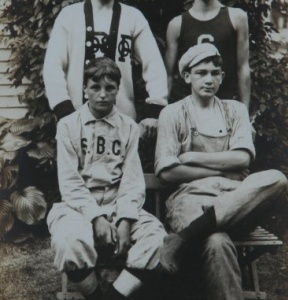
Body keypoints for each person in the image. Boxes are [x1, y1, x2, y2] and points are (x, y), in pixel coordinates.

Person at [155, 43, 288, 299]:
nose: (209, 79)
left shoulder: (235, 110)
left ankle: (183, 238)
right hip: (190, 199)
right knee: (215, 241)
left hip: (236, 200)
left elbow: (243, 157)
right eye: (201, 72)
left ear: (222, 76)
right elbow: (167, 173)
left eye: (215, 72)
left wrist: (193, 157)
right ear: (186, 76)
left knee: (277, 179)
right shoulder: (172, 114)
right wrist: (222, 171)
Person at [47, 57, 167, 300]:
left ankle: (113, 296)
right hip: (78, 206)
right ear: (85, 89)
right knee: (68, 239)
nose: (102, 94)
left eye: (109, 88)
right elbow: (70, 182)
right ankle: (94, 295)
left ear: (117, 90)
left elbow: (132, 181)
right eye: (95, 87)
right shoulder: (68, 125)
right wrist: (96, 217)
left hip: (118, 203)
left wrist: (125, 219)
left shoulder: (128, 127)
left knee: (157, 239)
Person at [43, 0, 168, 139]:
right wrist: (63, 109)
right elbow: (52, 66)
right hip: (74, 124)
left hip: (122, 125)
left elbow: (153, 64)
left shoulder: (133, 17)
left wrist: (156, 106)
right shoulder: (69, 15)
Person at [165, 0, 251, 109]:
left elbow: (243, 68)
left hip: (224, 107)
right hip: (188, 109)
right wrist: (158, 113)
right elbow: (168, 75)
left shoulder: (236, 17)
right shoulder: (177, 24)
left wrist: (244, 115)